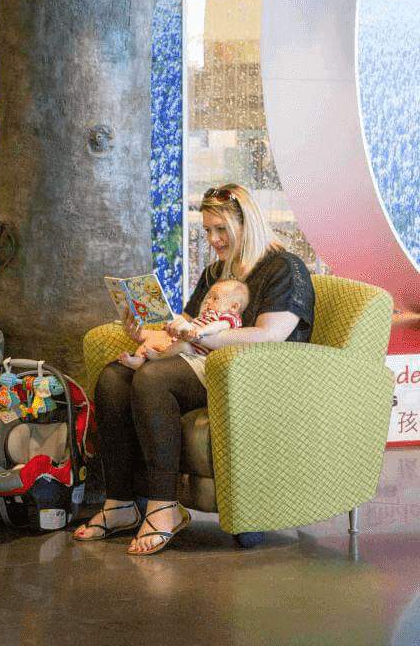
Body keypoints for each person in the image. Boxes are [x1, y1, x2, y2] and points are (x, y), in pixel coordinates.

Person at [73, 182, 315, 555]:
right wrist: (143, 334)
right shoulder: (216, 273)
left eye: (221, 229)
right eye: (207, 230)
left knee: (153, 378)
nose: (213, 239)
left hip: (253, 379)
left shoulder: (284, 268)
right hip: (204, 364)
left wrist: (200, 336)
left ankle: (163, 507)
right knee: (114, 378)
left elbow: (270, 335)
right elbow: (183, 327)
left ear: (247, 223)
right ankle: (121, 502)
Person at [117, 278, 249, 384]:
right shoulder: (207, 315)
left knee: (182, 345)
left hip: (196, 353)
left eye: (215, 298)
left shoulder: (231, 317)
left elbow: (219, 326)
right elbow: (189, 325)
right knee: (153, 339)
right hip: (184, 342)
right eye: (208, 297)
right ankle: (138, 359)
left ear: (234, 306)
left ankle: (158, 357)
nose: (208, 301)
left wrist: (201, 331)